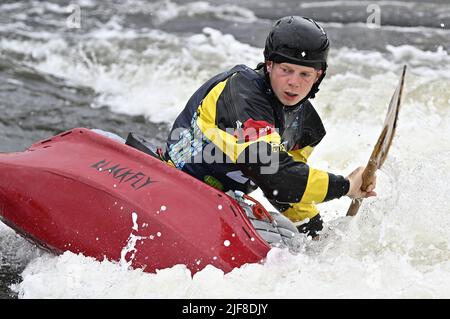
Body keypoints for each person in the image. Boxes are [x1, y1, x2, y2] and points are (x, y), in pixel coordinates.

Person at [164, 16, 376, 238]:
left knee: (289, 242)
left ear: (318, 76)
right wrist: (346, 186)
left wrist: (316, 234)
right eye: (286, 70)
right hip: (176, 186)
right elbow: (275, 174)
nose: (294, 82)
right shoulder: (240, 94)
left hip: (224, 205)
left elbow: (284, 192)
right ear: (270, 65)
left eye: (305, 74)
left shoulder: (307, 127)